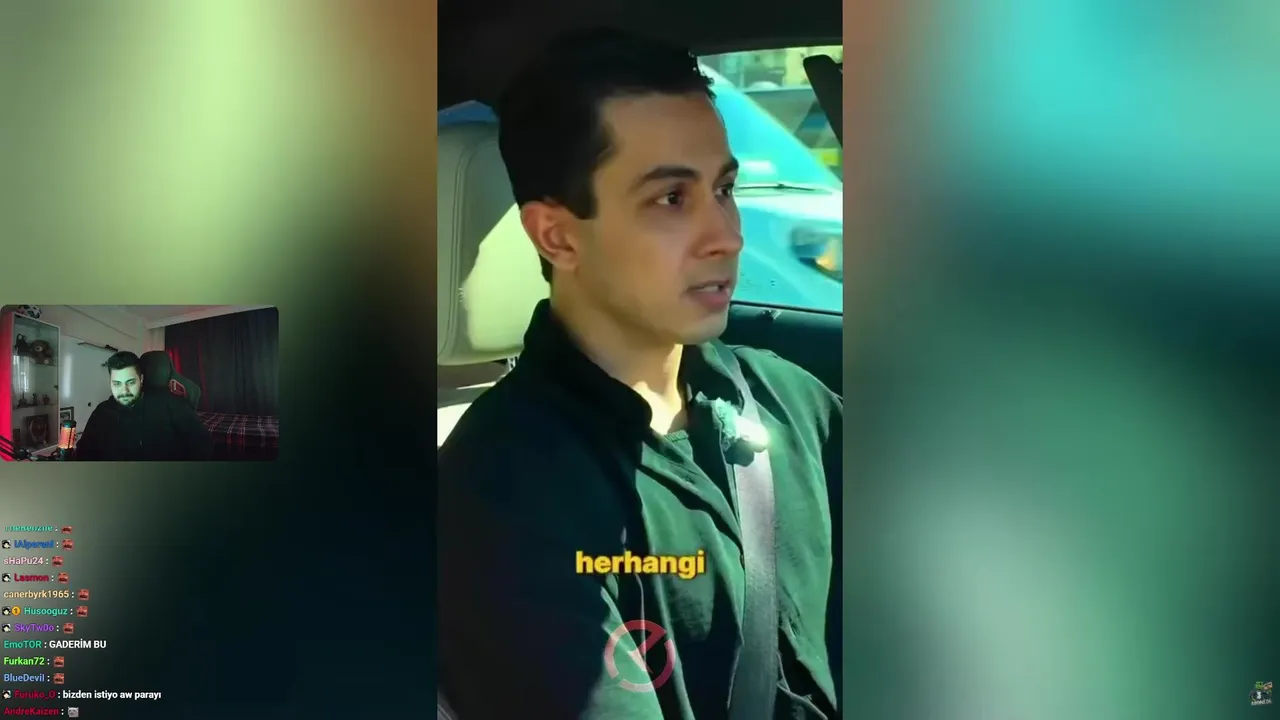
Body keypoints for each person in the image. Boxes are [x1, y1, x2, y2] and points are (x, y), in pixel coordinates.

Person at [437, 28, 841, 719]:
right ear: (557, 236)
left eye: (724, 189)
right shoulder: (502, 492)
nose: (728, 235)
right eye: (671, 199)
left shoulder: (790, 400)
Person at [74, 351, 214, 461]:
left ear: (141, 379)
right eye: (117, 384)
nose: (124, 391)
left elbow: (202, 445)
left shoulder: (170, 404)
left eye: (130, 382)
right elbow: (84, 454)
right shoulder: (102, 413)